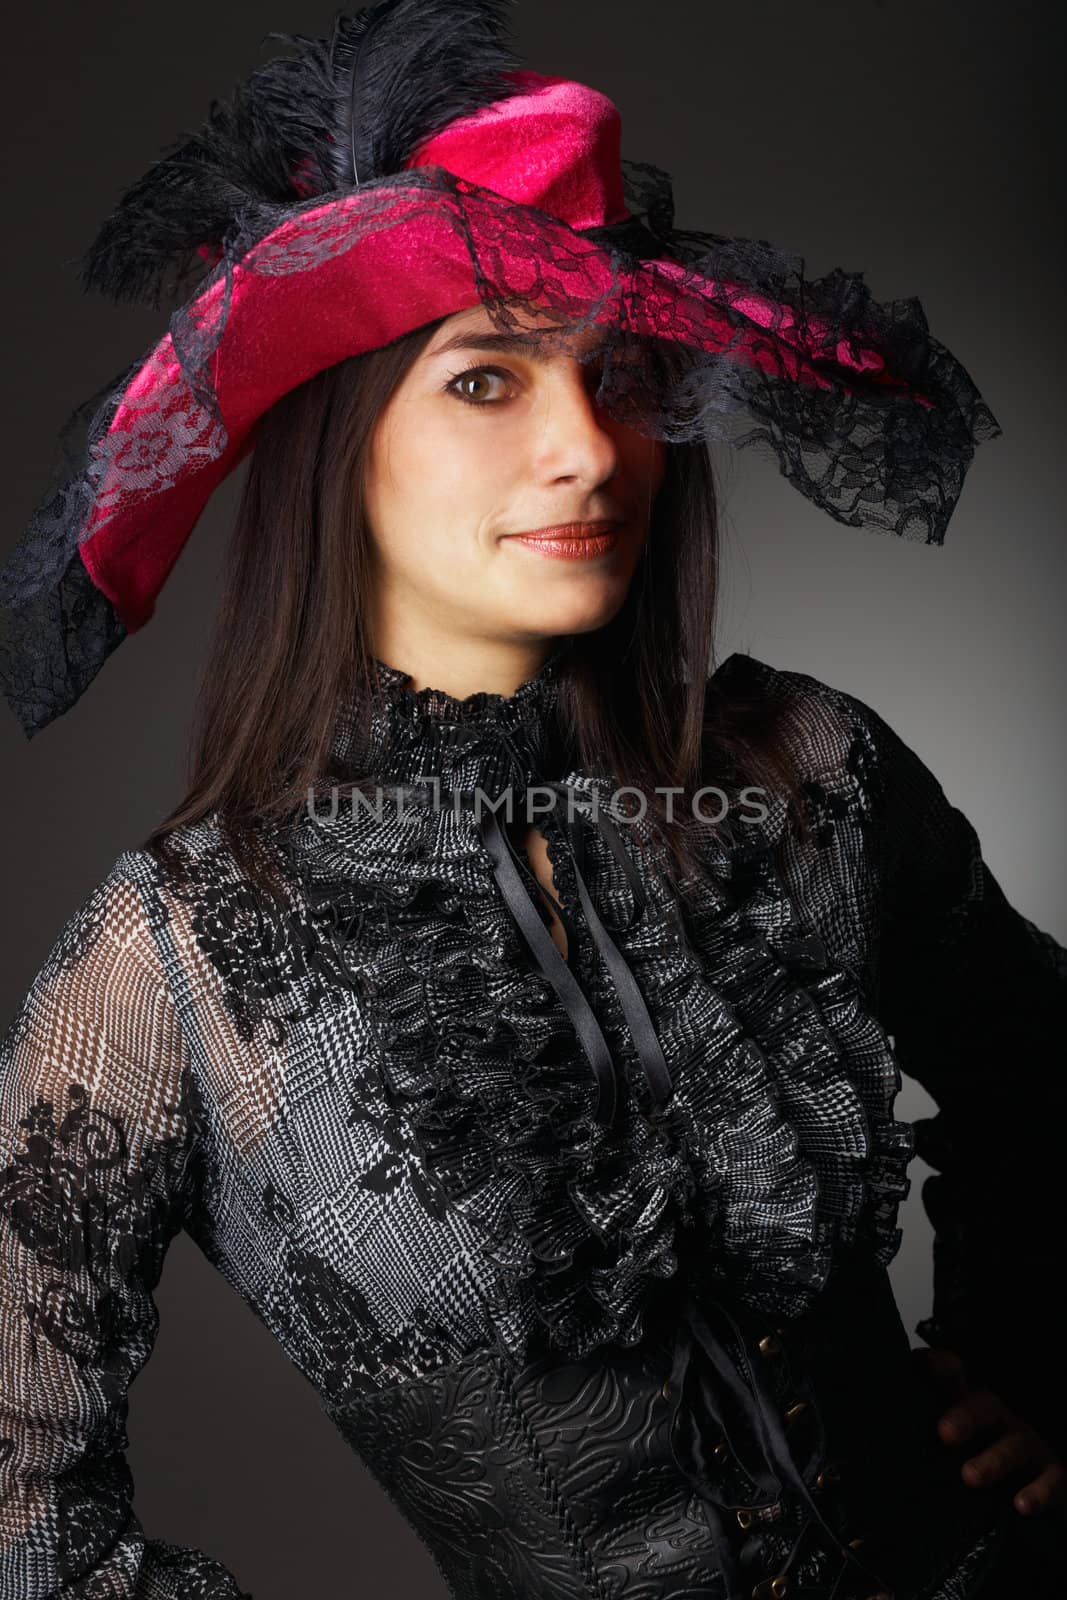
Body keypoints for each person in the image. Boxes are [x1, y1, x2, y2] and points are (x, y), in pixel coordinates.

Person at [0, 3, 1063, 1597]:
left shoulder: (813, 774)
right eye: (486, 382)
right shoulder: (172, 969)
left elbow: (1046, 1080)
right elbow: (24, 1509)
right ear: (339, 445)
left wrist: (1034, 1370)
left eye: (623, 375)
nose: (591, 448)